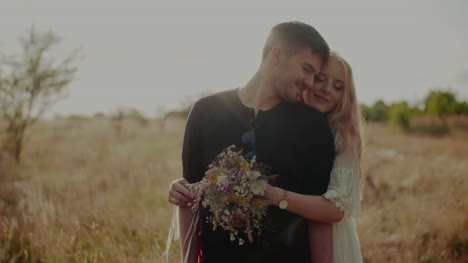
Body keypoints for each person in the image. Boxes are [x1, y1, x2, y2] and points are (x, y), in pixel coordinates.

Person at [169, 52, 365, 263]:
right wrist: (183, 186)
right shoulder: (286, 122)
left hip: (330, 235)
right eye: (319, 78)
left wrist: (275, 195)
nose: (326, 89)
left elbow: (333, 210)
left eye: (338, 86)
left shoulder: (343, 135)